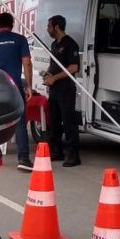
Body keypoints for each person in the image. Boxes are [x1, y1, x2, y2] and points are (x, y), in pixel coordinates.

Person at [0, 12, 33, 171]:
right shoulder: (20, 40)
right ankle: (23, 159)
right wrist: (29, 86)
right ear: (12, 25)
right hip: (14, 86)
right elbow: (27, 62)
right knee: (20, 123)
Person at [43, 14, 81, 167]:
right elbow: (54, 65)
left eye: (49, 26)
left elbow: (73, 67)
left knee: (69, 121)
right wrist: (48, 75)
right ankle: (56, 151)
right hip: (54, 89)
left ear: (56, 27)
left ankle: (73, 155)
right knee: (54, 120)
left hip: (66, 88)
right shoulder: (53, 44)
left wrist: (56, 78)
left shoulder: (70, 44)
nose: (47, 29)